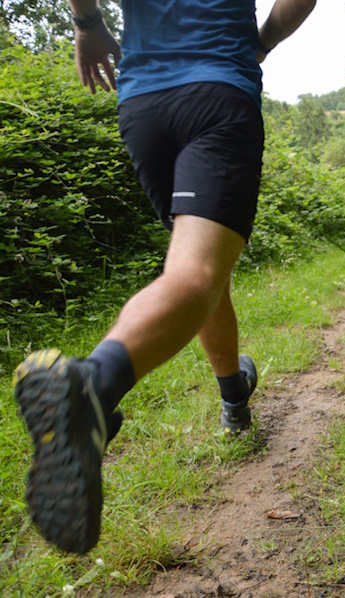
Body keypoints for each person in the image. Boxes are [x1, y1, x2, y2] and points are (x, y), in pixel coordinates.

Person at [12, 0, 316, 555]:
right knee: (197, 270)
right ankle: (94, 385)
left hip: (143, 101)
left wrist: (87, 24)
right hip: (217, 91)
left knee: (200, 267)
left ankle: (234, 398)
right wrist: (261, 42)